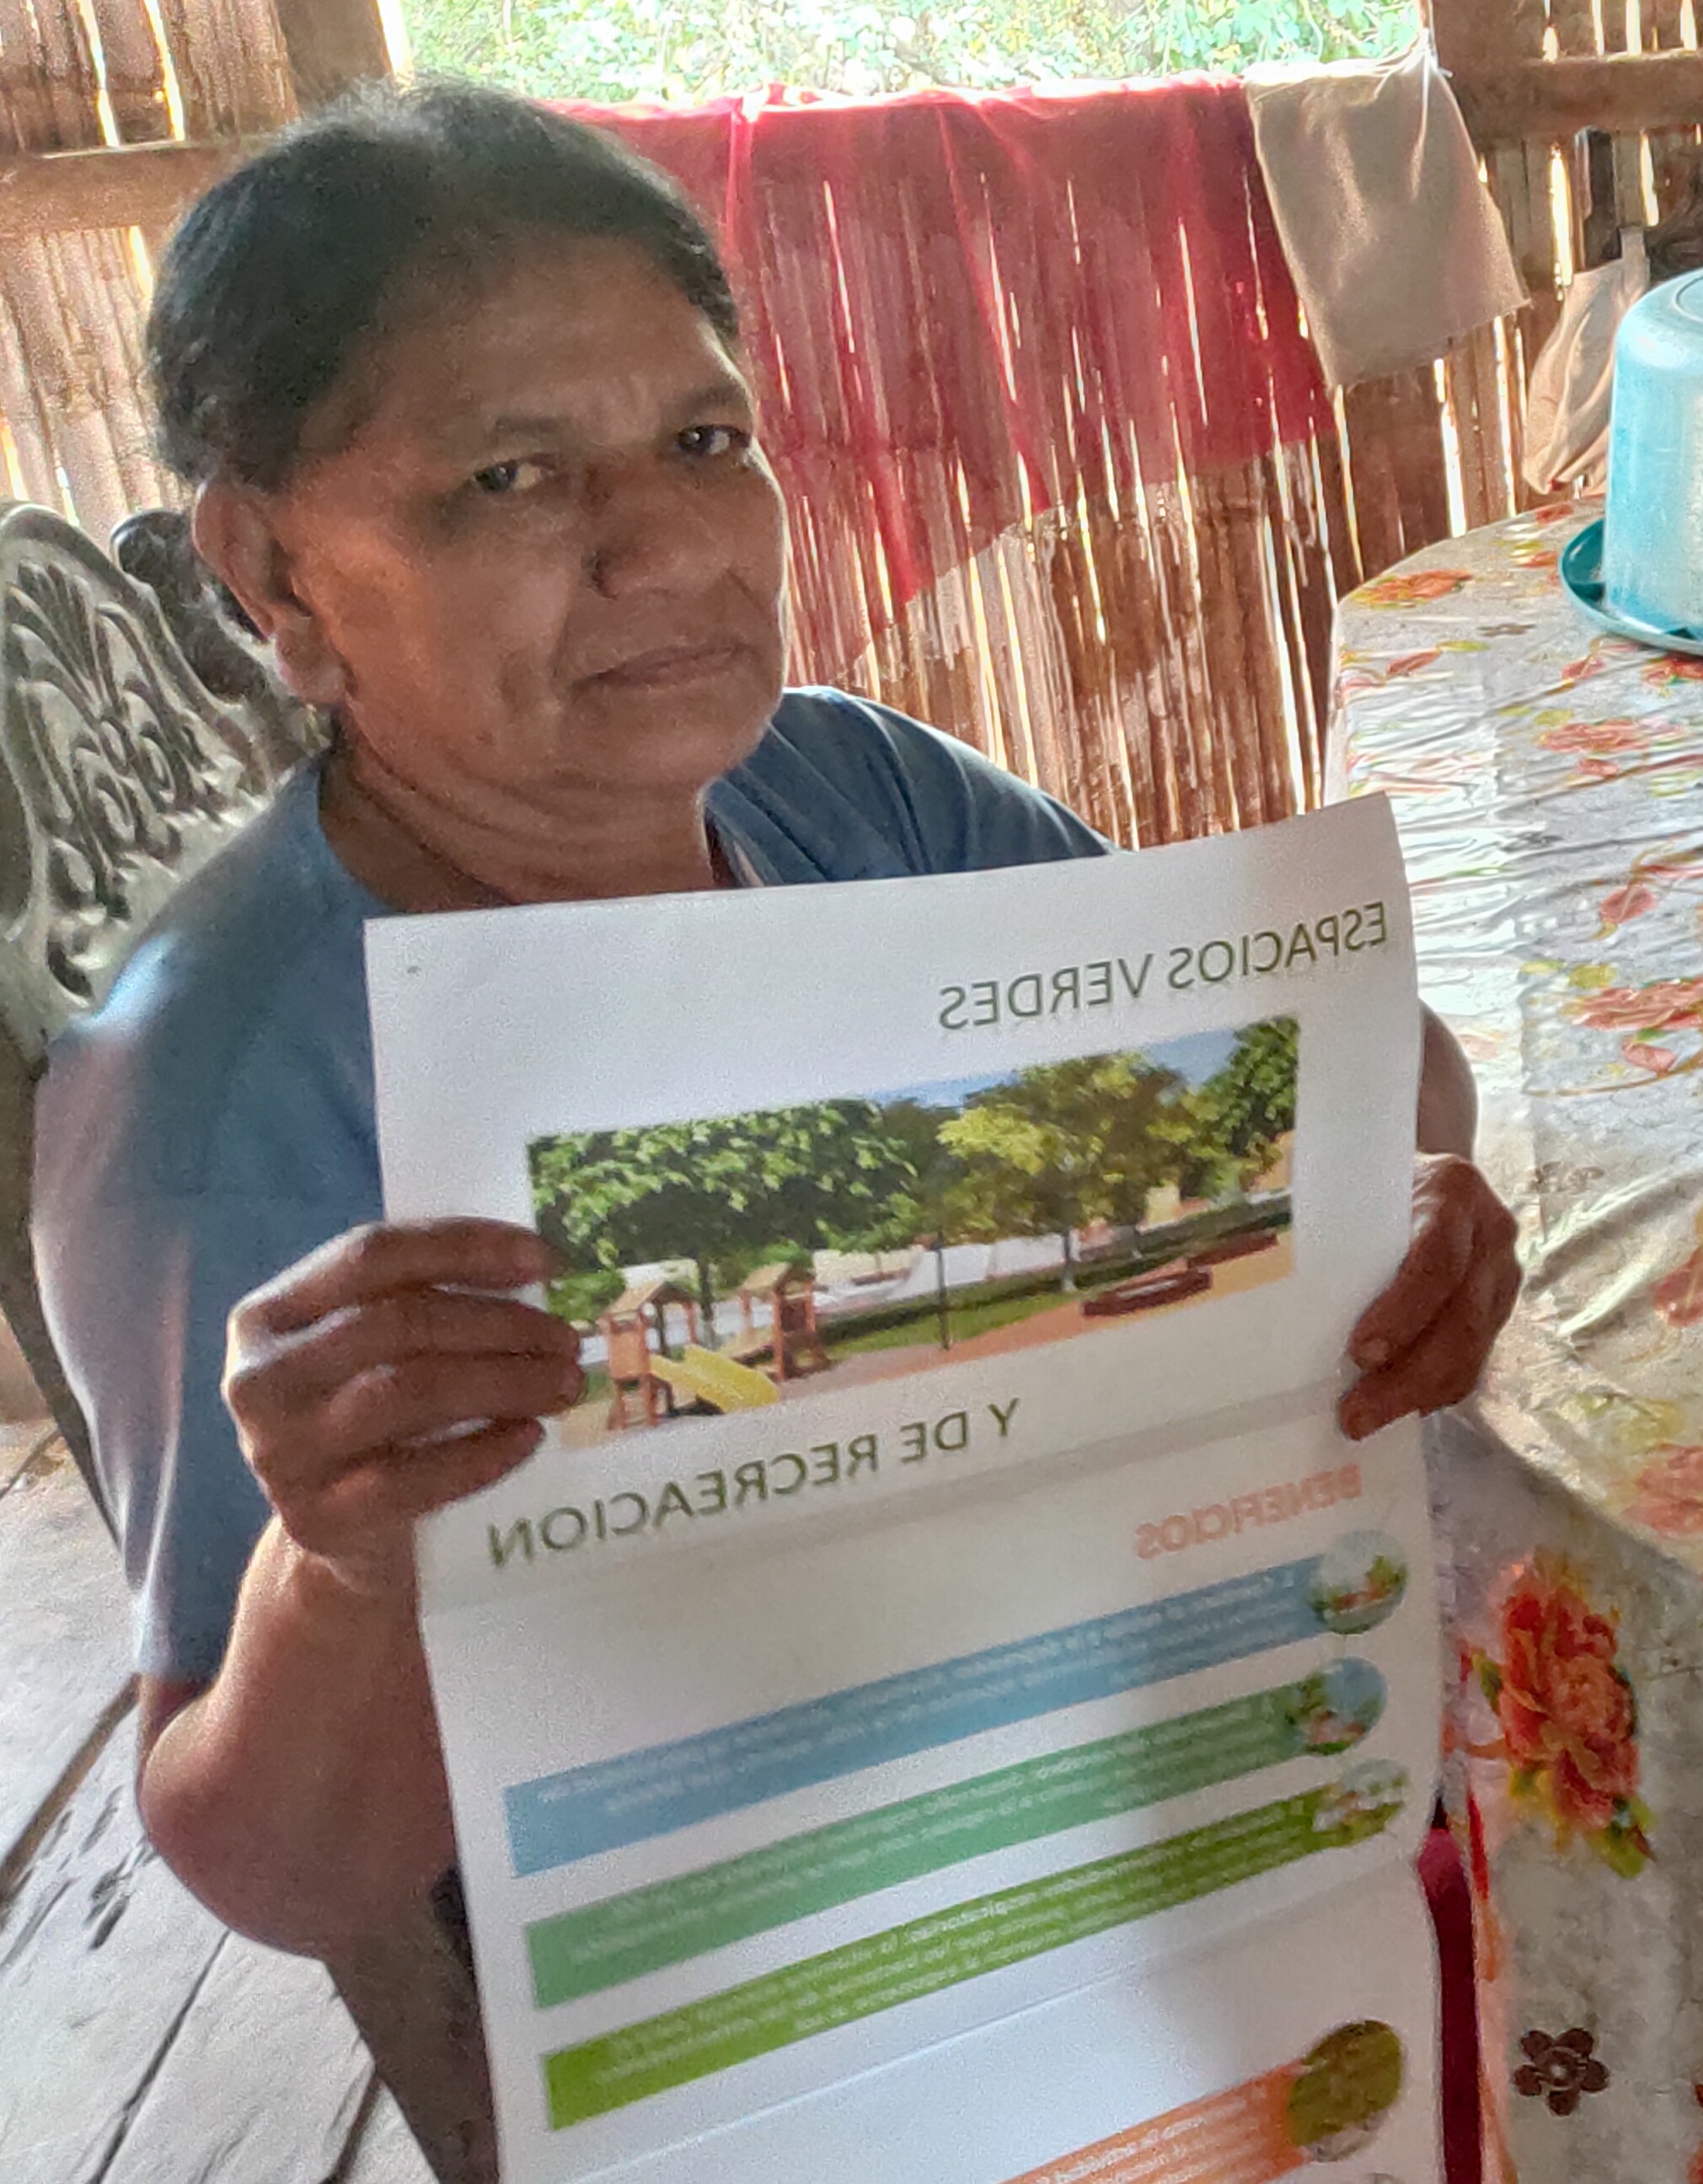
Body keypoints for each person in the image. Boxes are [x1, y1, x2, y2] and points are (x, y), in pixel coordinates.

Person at [32, 83, 1523, 1958]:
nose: (666, 546)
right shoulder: (216, 1105)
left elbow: (1361, 1072)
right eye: (510, 479)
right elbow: (289, 1879)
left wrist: (1396, 1203)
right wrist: (346, 1574)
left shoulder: (855, 796)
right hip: (751, 1967)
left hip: (1162, 1761)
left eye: (702, 439)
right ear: (274, 574)